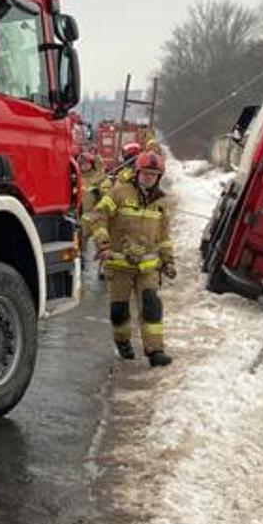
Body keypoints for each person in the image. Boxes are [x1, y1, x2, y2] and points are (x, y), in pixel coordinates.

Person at [87, 151, 175, 367]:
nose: (148, 178)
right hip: (119, 266)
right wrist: (104, 246)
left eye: (153, 175)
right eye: (145, 173)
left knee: (152, 306)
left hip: (148, 269)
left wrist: (168, 260)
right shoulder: (119, 193)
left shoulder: (161, 201)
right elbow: (98, 217)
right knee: (120, 310)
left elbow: (164, 236)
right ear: (137, 173)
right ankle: (123, 342)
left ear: (159, 177)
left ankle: (155, 351)